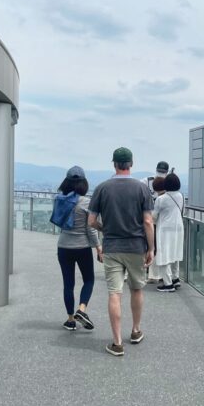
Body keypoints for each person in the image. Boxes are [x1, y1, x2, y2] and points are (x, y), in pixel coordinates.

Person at [88, 147, 154, 357]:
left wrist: (104, 229)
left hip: (112, 247)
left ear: (114, 164)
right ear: (131, 164)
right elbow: (147, 221)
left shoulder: (102, 188)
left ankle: (117, 343)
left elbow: (91, 221)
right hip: (136, 247)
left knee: (114, 293)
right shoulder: (142, 189)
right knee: (136, 289)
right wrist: (151, 248)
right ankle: (135, 331)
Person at [56, 166, 102, 331]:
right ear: (83, 183)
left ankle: (70, 320)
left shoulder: (59, 199)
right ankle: (81, 310)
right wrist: (98, 247)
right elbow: (91, 228)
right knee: (89, 279)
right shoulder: (85, 202)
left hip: (63, 246)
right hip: (82, 247)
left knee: (68, 284)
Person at [153, 172, 184, 292]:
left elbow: (154, 217)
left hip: (165, 229)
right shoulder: (180, 196)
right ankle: (176, 278)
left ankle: (168, 283)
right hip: (178, 228)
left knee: (164, 254)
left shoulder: (161, 199)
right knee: (175, 253)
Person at [146, 177, 167, 285]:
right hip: (167, 229)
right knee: (164, 251)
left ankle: (154, 275)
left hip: (157, 227)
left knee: (153, 249)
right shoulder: (172, 197)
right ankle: (165, 275)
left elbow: (153, 216)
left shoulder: (159, 199)